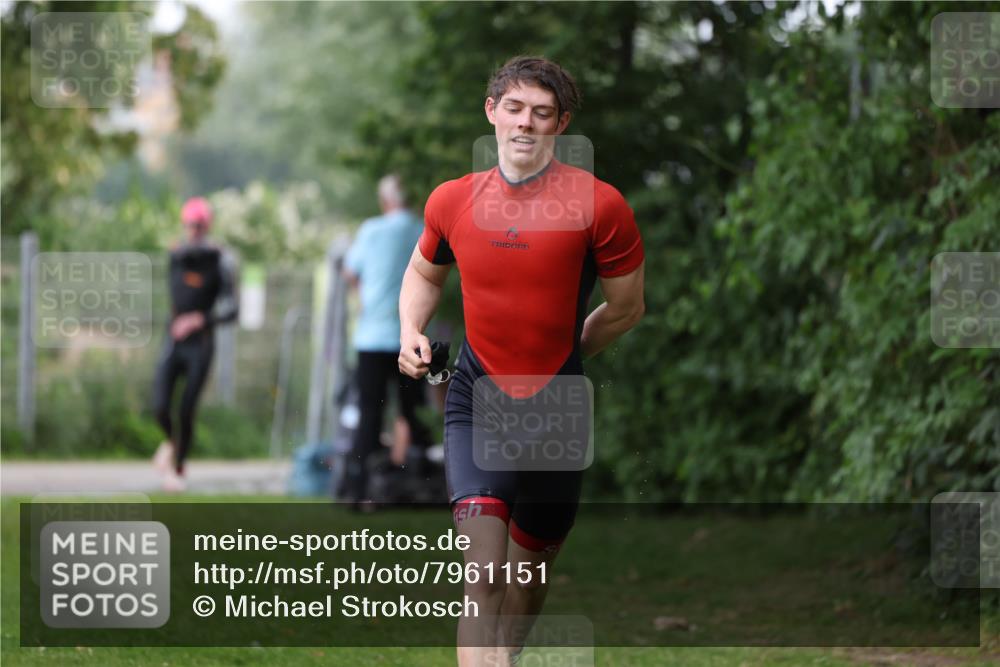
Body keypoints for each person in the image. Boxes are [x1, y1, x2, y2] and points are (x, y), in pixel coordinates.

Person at [398, 56, 645, 665]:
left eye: (541, 112)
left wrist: (566, 356)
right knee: (482, 572)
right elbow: (422, 273)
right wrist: (409, 330)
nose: (525, 124)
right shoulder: (452, 200)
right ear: (492, 112)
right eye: (514, 108)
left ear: (560, 124)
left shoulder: (600, 206)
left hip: (558, 410)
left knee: (528, 573)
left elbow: (626, 308)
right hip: (476, 399)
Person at [341, 174, 434, 508]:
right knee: (414, 412)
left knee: (369, 414)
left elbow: (350, 272)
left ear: (385, 201)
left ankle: (356, 490)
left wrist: (363, 296)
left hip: (371, 337)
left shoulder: (371, 230)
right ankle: (424, 485)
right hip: (411, 337)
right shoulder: (423, 229)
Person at [152, 197, 238, 492]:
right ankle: (171, 442)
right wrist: (178, 322)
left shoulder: (220, 259)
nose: (195, 230)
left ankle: (178, 468)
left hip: (200, 344)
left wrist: (199, 320)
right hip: (174, 341)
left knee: (186, 408)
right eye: (191, 224)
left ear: (207, 225)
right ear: (184, 224)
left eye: (200, 225)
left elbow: (232, 309)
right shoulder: (176, 255)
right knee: (160, 405)